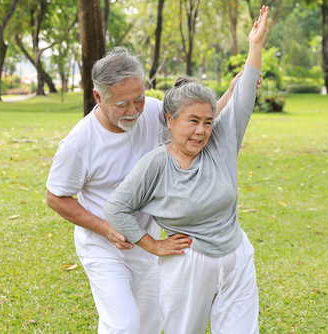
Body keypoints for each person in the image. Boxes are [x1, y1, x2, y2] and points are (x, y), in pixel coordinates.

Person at [45, 45, 260, 333]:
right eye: (122, 104)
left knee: (150, 322)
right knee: (123, 324)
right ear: (99, 96)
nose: (133, 111)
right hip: (104, 244)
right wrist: (105, 228)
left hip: (146, 239)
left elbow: (194, 118)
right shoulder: (79, 143)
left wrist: (235, 90)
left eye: (139, 99)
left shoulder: (155, 111)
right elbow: (56, 197)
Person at [104, 6, 269, 334]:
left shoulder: (220, 145)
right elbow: (116, 208)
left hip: (236, 256)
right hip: (188, 267)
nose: (201, 131)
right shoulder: (156, 163)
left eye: (208, 122)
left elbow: (243, 99)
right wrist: (154, 245)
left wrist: (256, 46)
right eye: (192, 121)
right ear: (170, 120)